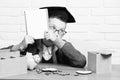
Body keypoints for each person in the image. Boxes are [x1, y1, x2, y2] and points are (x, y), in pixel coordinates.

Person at [11, 6, 86, 70]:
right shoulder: (31, 44)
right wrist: (20, 46)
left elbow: (81, 61)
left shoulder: (63, 48)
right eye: (53, 28)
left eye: (61, 30)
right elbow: (2, 57)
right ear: (43, 26)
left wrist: (56, 41)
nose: (56, 34)